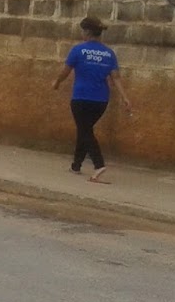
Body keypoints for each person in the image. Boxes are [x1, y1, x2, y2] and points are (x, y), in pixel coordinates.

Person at [51, 16, 134, 183]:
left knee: (85, 130)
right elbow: (116, 78)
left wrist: (57, 82)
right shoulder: (109, 54)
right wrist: (125, 97)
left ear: (87, 32)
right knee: (85, 129)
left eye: (82, 30)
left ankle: (98, 164)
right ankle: (76, 165)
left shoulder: (78, 50)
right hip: (101, 100)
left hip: (81, 97)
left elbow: (65, 71)